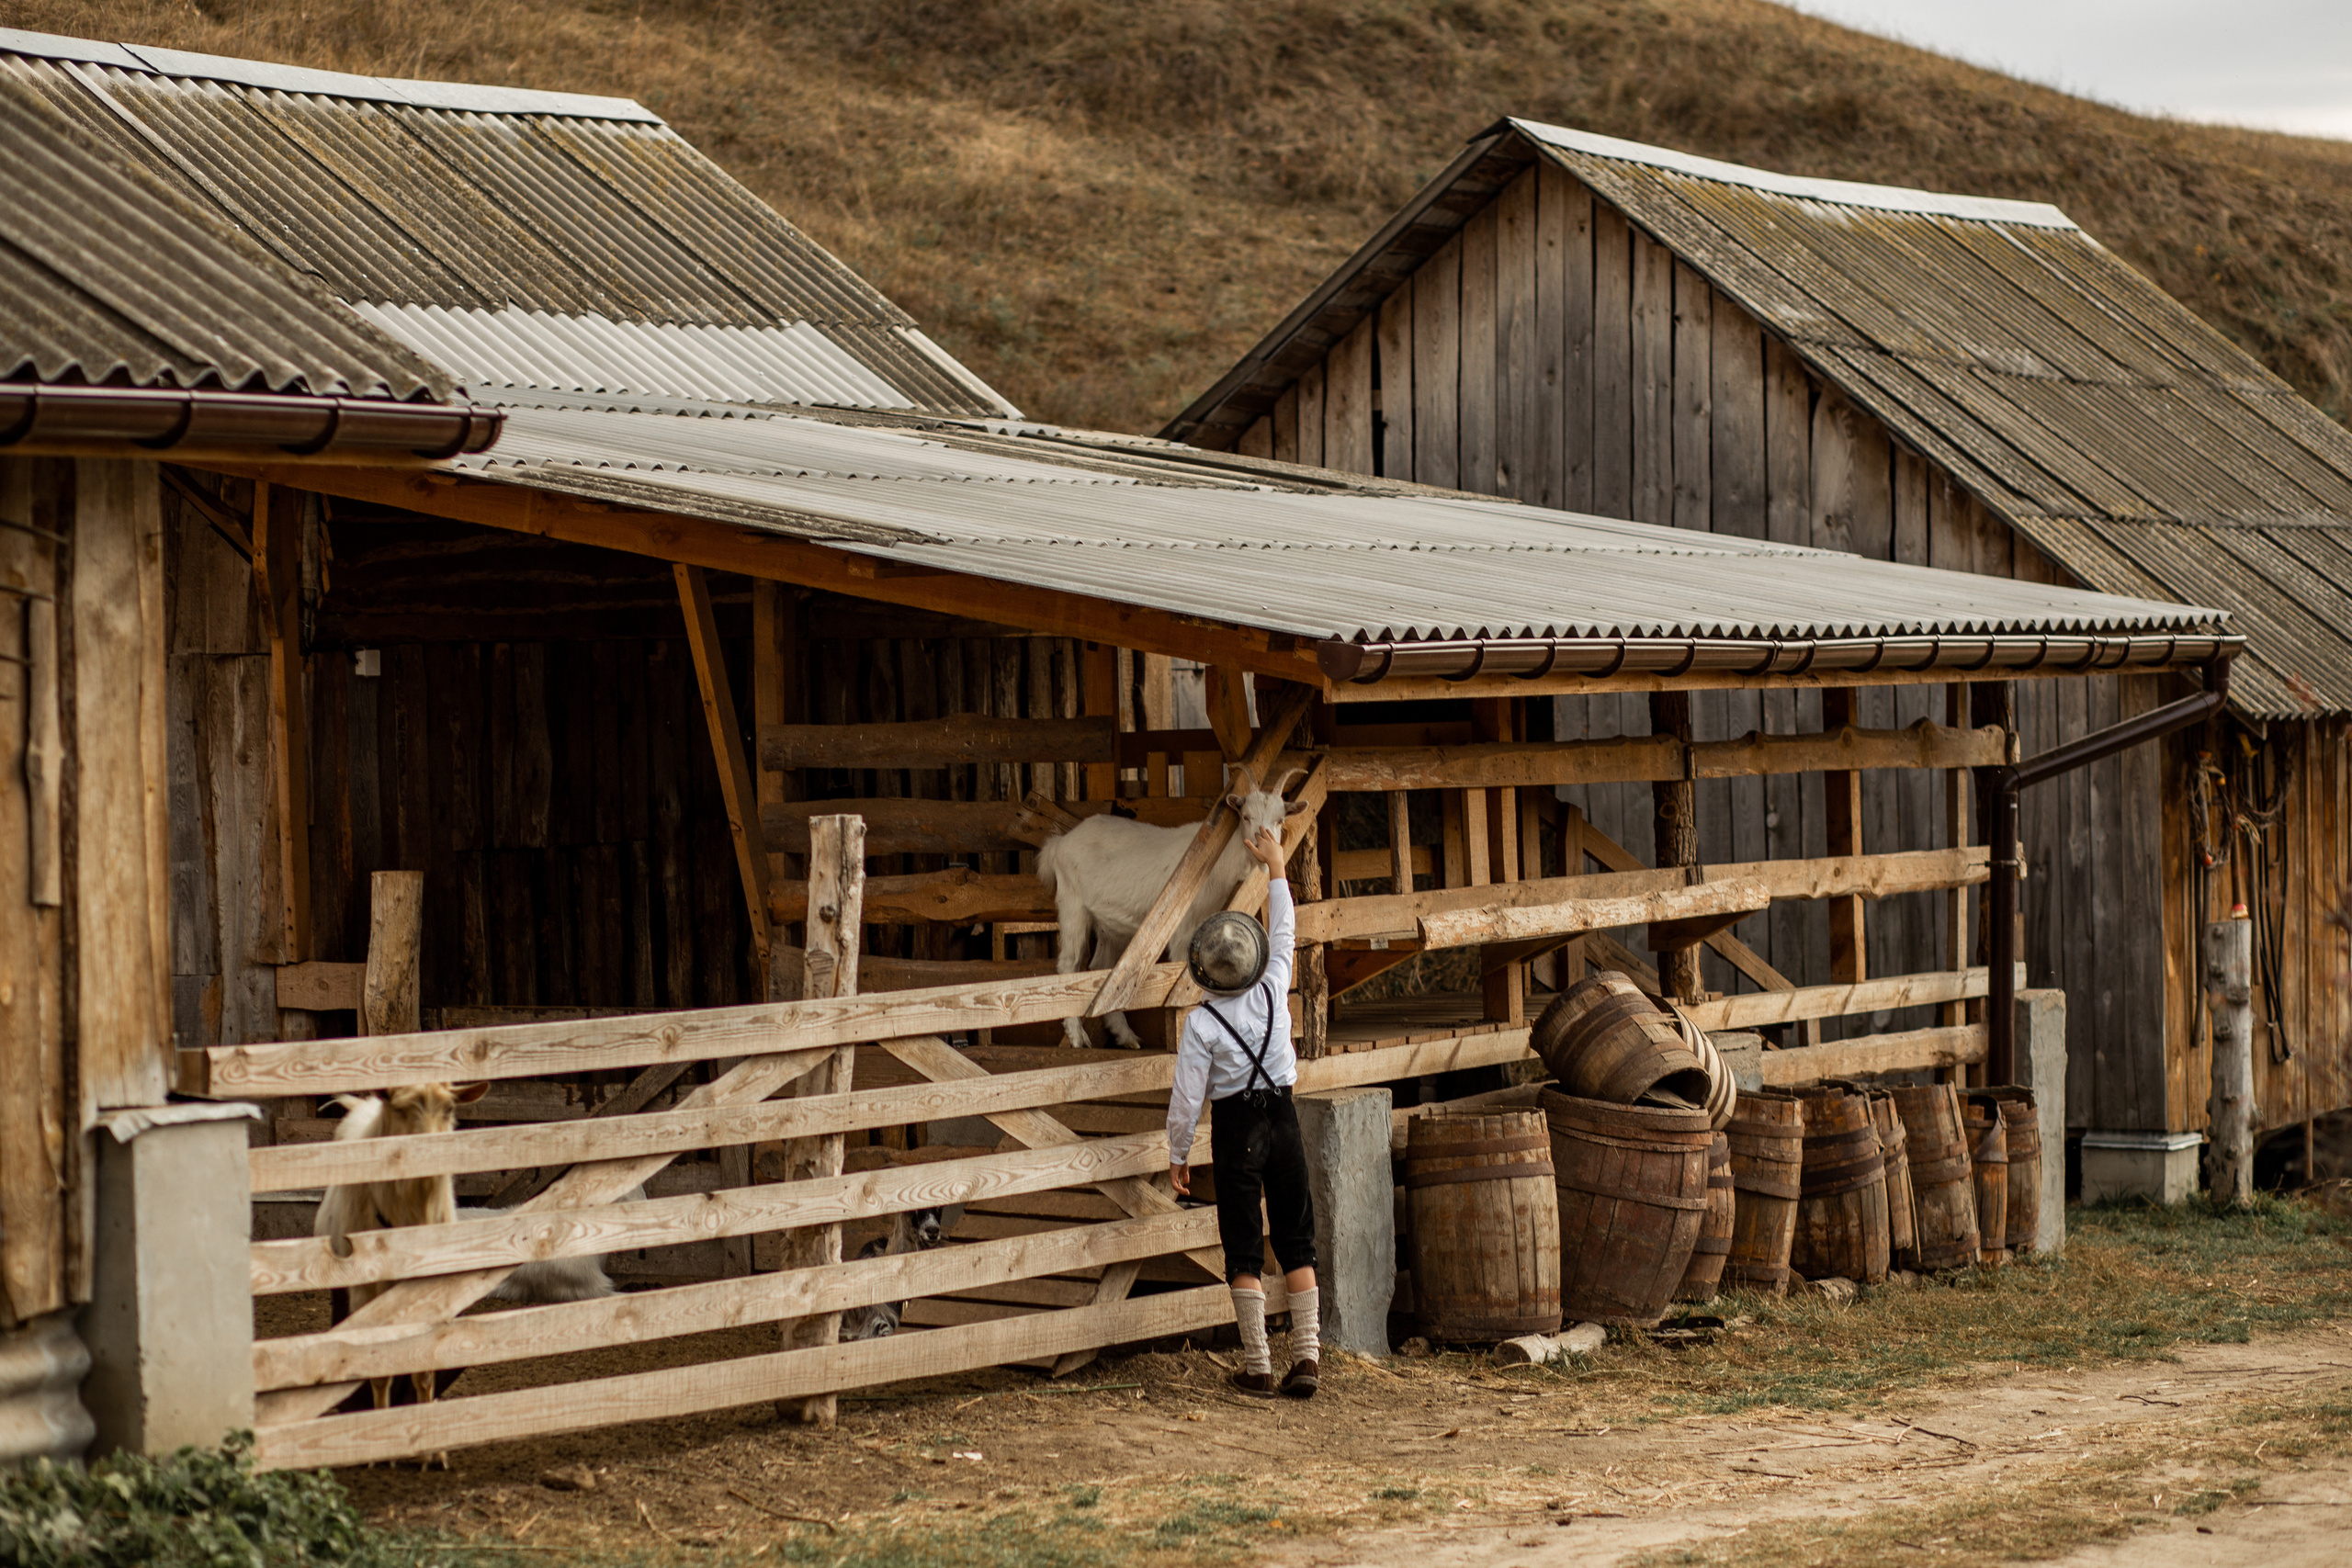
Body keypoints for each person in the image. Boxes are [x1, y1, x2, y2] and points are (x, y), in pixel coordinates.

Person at [1166, 826, 1319, 1399]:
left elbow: (1187, 1098)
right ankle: (1306, 1358)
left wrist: (1178, 1155)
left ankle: (1258, 1363)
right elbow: (1285, 932)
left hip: (1236, 1129)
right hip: (1284, 1119)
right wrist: (1277, 867)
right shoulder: (1274, 985)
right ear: (1251, 960)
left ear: (1207, 968)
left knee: (1244, 1244)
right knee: (1296, 1238)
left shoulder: (1202, 1024)